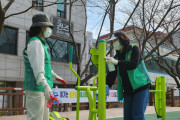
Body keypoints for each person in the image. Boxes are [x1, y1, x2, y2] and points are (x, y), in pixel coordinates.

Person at [23, 14, 66, 120]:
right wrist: (46, 87)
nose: (49, 30)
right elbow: (38, 70)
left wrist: (56, 76)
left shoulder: (41, 44)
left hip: (41, 89)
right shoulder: (35, 44)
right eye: (47, 27)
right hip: (36, 89)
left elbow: (43, 67)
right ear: (41, 28)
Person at [104, 31, 152, 120]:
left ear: (122, 39)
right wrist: (105, 85)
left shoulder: (134, 49)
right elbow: (111, 75)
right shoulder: (116, 58)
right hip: (128, 90)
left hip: (141, 87)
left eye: (114, 41)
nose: (113, 44)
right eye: (112, 42)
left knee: (137, 115)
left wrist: (116, 62)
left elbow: (133, 64)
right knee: (127, 117)